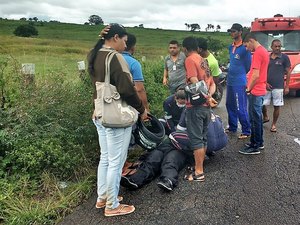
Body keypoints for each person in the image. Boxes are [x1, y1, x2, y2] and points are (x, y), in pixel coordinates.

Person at [88, 23, 148, 217]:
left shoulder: (95, 54)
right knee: (116, 161)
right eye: (124, 40)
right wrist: (141, 109)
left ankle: (103, 197)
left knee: (105, 158)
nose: (125, 43)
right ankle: (112, 205)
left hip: (99, 113)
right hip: (115, 117)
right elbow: (127, 90)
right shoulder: (115, 58)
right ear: (115, 38)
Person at [182, 36, 216, 181]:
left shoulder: (190, 60)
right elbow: (212, 83)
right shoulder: (204, 60)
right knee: (202, 138)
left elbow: (195, 82)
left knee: (196, 139)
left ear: (185, 49)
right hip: (206, 107)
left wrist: (206, 97)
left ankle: (198, 172)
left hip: (196, 106)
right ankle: (199, 165)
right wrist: (210, 96)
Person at [120, 130, 192, 192]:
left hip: (180, 148)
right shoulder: (173, 117)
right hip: (167, 143)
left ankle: (168, 180)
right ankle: (134, 180)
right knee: (152, 159)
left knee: (170, 161)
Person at [239, 32, 269, 155]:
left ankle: (255, 145)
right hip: (259, 89)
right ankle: (259, 142)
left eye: (246, 45)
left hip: (255, 90)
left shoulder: (257, 53)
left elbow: (256, 75)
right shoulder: (263, 51)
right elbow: (255, 72)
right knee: (257, 117)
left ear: (251, 41)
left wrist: (248, 88)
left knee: (254, 118)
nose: (247, 48)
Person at [226, 23, 252, 139]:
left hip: (239, 82)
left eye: (234, 31)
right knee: (229, 104)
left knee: (239, 106)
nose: (232, 33)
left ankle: (246, 130)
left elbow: (248, 65)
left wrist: (240, 74)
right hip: (230, 81)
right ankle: (232, 127)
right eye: (231, 31)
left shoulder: (245, 48)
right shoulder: (231, 47)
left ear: (240, 32)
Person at [262, 39, 291, 133]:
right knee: (262, 104)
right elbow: (264, 71)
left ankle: (274, 124)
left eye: (279, 46)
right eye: (276, 46)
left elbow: (288, 72)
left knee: (277, 106)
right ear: (271, 47)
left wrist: (287, 86)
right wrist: (265, 82)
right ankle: (265, 116)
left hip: (278, 86)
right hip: (266, 86)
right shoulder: (267, 57)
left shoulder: (284, 58)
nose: (278, 48)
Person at [122, 33, 150, 111]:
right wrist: (145, 109)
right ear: (133, 47)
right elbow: (139, 89)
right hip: (128, 107)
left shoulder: (110, 59)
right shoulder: (134, 63)